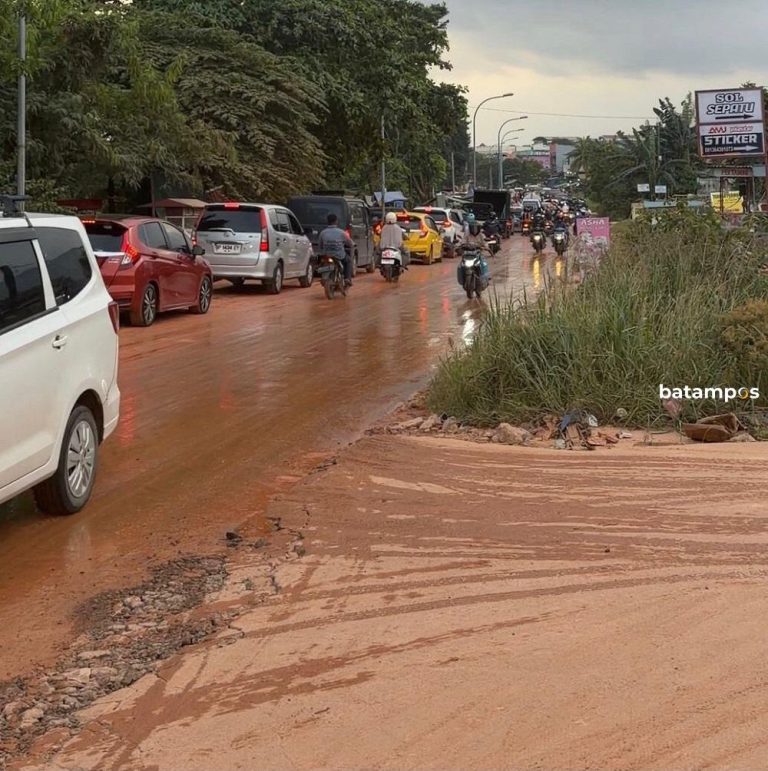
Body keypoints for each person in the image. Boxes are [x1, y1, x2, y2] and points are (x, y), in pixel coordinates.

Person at [318, 213, 354, 286]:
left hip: (327, 255)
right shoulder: (342, 232)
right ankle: (347, 278)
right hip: (339, 255)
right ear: (336, 221)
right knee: (348, 261)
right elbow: (350, 243)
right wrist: (352, 245)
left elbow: (320, 245)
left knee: (320, 263)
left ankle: (323, 276)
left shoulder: (323, 233)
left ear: (327, 221)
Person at [457, 221, 491, 288]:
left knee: (483, 264)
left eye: (476, 228)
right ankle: (462, 280)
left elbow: (485, 243)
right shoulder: (467, 235)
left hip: (478, 254)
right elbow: (462, 242)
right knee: (461, 266)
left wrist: (486, 247)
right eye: (473, 228)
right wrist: (459, 246)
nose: (474, 230)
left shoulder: (481, 235)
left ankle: (485, 278)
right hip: (467, 254)